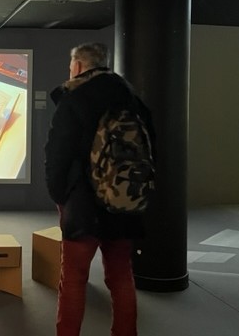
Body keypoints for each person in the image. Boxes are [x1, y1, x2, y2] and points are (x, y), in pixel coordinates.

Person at [44, 42, 154, 336]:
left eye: (71, 65)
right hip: (125, 203)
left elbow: (57, 156)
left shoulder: (74, 98)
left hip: (83, 204)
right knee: (121, 276)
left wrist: (60, 197)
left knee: (74, 278)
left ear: (79, 66)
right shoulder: (132, 99)